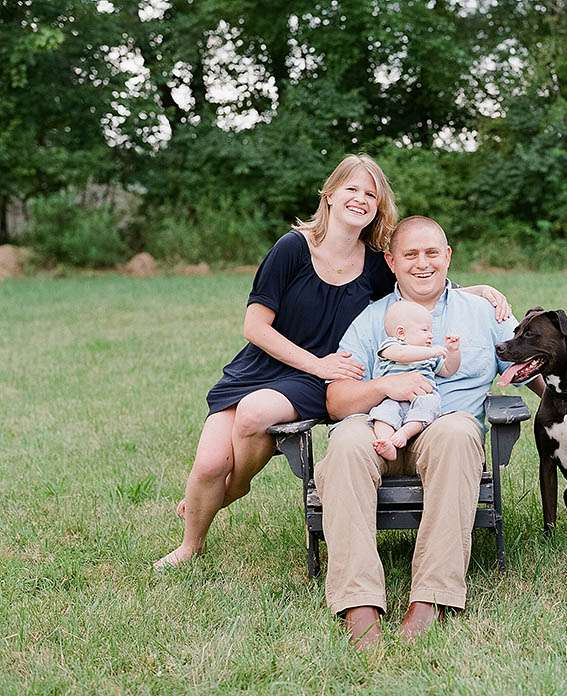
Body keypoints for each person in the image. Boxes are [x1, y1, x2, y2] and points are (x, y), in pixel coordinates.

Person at [154, 155, 511, 570]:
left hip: (319, 377)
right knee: (210, 462)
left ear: (379, 206)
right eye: (352, 189)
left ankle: (233, 489)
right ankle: (191, 543)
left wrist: (476, 290)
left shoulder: (375, 262)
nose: (360, 199)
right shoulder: (292, 248)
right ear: (329, 194)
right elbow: (254, 326)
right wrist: (317, 364)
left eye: (370, 194)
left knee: (253, 417)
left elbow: (418, 280)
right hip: (267, 363)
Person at [317, 215, 548, 649]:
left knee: (459, 433)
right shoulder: (372, 320)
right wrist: (385, 385)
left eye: (431, 253)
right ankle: (359, 602)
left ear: (448, 256)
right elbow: (336, 400)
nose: (422, 263)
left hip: (443, 429)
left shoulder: (483, 312)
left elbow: (537, 370)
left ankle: (431, 598)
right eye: (410, 254)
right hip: (379, 427)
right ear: (391, 261)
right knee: (346, 441)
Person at [368, 301, 461, 461]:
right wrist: (430, 352)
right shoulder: (391, 345)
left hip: (421, 398)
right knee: (383, 414)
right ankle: (386, 441)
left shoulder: (428, 356)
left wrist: (453, 352)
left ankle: (405, 433)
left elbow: (448, 370)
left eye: (431, 330)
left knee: (430, 404)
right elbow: (402, 355)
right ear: (401, 333)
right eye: (425, 330)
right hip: (392, 399)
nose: (431, 335)